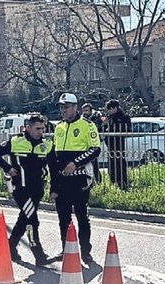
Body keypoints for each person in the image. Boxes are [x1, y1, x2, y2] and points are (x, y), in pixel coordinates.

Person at [0, 114, 53, 266]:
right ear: (28, 128)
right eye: (37, 128)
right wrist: (7, 168)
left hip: (37, 190)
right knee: (32, 221)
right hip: (20, 189)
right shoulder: (16, 141)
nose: (41, 132)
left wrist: (54, 189)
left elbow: (54, 169)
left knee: (24, 219)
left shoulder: (47, 145)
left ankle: (10, 246)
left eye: (42, 129)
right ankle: (39, 255)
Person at [50, 93, 102, 263]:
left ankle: (85, 251)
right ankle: (66, 250)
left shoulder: (88, 125)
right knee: (63, 217)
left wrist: (76, 163)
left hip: (80, 178)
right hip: (62, 180)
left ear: (75, 107)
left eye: (66, 107)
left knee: (81, 216)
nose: (63, 110)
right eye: (61, 107)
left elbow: (95, 149)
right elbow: (55, 156)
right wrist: (54, 184)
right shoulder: (59, 127)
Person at [104, 99, 131, 190]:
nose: (108, 111)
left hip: (119, 144)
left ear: (115, 108)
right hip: (110, 145)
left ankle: (123, 183)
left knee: (120, 163)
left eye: (109, 109)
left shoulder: (124, 117)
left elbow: (128, 130)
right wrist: (105, 124)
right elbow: (104, 129)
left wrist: (115, 128)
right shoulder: (109, 117)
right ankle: (113, 183)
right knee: (111, 164)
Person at [82, 103, 104, 185]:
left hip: (94, 142)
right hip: (86, 143)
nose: (85, 112)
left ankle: (98, 181)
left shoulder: (97, 116)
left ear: (91, 111)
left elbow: (103, 123)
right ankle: (91, 182)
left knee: (94, 163)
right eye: (83, 111)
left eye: (86, 110)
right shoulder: (82, 118)